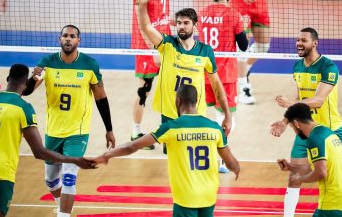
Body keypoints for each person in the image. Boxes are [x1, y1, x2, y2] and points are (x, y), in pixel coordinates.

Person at [91, 84, 240, 216]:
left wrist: (107, 155)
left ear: (178, 101)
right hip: (208, 196)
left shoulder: (171, 127)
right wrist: (236, 169)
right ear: (197, 101)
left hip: (186, 197)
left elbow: (132, 146)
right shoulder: (214, 128)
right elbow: (231, 163)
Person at [0, 64, 95, 217]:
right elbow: (39, 152)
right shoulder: (23, 108)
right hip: (0, 173)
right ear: (25, 84)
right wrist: (72, 160)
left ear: (8, 79)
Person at [22, 25, 116, 217]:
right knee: (50, 180)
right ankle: (62, 206)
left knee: (69, 177)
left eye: (72, 36)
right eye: (65, 36)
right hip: (54, 131)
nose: (68, 39)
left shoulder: (89, 64)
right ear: (59, 39)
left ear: (78, 41)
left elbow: (101, 98)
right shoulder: (47, 62)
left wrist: (109, 129)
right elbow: (27, 91)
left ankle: (63, 214)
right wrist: (33, 78)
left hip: (77, 132)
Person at [270, 28, 342, 216]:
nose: (299, 43)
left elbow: (318, 100)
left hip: (331, 132)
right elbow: (301, 98)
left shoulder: (328, 67)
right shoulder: (297, 67)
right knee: (294, 177)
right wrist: (284, 121)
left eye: (303, 40)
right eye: (297, 40)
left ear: (315, 43)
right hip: (305, 132)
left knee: (340, 181)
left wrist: (291, 103)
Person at [135, 0, 233, 135]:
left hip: (196, 113)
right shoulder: (167, 45)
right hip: (170, 113)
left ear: (195, 25)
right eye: (179, 23)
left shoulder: (205, 51)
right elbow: (146, 26)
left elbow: (217, 85)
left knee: (192, 155)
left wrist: (228, 114)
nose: (181, 26)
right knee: (172, 156)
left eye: (186, 23)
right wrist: (141, 6)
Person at [198, 0, 249, 172]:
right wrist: (243, 26)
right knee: (226, 119)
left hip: (205, 72)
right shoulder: (233, 15)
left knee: (207, 114)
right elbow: (244, 47)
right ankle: (218, 159)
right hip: (225, 75)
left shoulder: (201, 14)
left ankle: (205, 153)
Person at [277, 103, 342, 216]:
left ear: (296, 123)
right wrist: (291, 167)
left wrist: (300, 179)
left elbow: (321, 173)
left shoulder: (315, 138)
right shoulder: (326, 132)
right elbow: (325, 166)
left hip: (332, 203)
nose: (294, 132)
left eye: (292, 127)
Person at [220, 0, 283, 105]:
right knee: (242, 48)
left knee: (263, 45)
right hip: (239, 3)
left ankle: (243, 70)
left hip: (259, 2)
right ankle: (244, 89)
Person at [130, 0, 172, 149]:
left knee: (170, 88)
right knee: (144, 90)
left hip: (164, 43)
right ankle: (135, 132)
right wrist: (154, 50)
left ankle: (167, 132)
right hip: (148, 47)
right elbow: (141, 24)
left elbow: (162, 17)